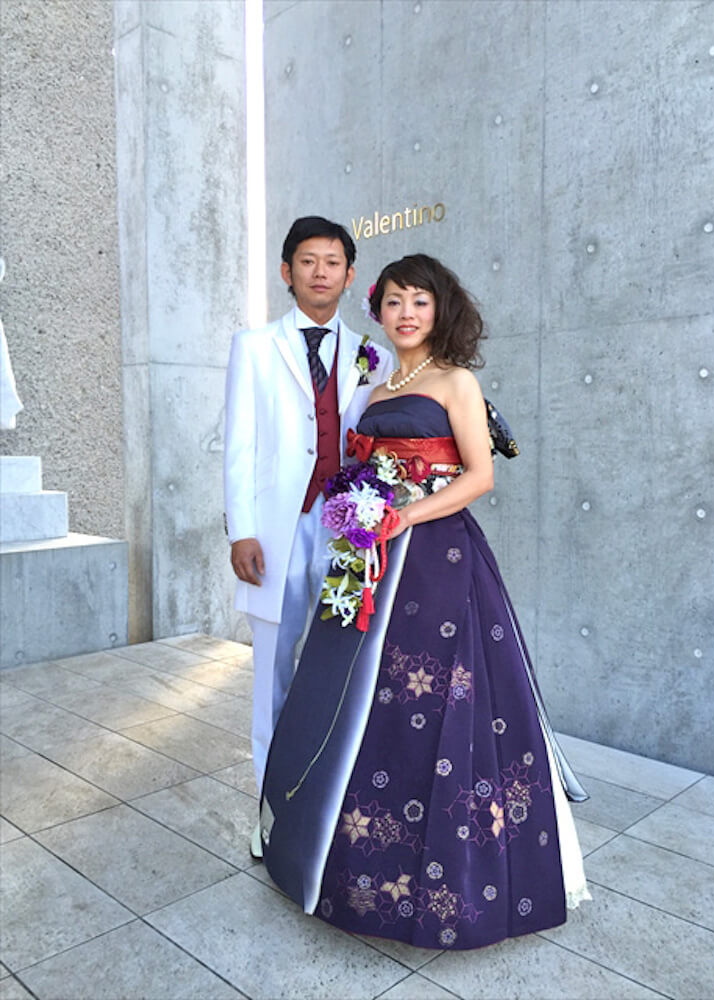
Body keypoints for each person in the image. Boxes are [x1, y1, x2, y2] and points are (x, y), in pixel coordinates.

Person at [258, 253, 591, 950]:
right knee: (353, 699)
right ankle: (339, 866)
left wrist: (404, 515)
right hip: (366, 561)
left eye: (420, 301)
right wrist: (357, 514)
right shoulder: (376, 389)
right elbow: (356, 468)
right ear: (377, 311)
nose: (406, 314)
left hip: (437, 561)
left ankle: (447, 882)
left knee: (431, 699)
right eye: (394, 302)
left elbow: (479, 476)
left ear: (440, 309)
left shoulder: (455, 380)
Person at [223, 217, 393, 856]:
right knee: (273, 671)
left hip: (346, 531)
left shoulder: (372, 354)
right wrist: (241, 531)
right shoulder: (254, 346)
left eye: (333, 262)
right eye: (307, 261)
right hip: (275, 531)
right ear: (286, 271)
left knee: (339, 669)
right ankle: (271, 814)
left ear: (350, 276)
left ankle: (327, 808)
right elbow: (239, 446)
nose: (320, 272)